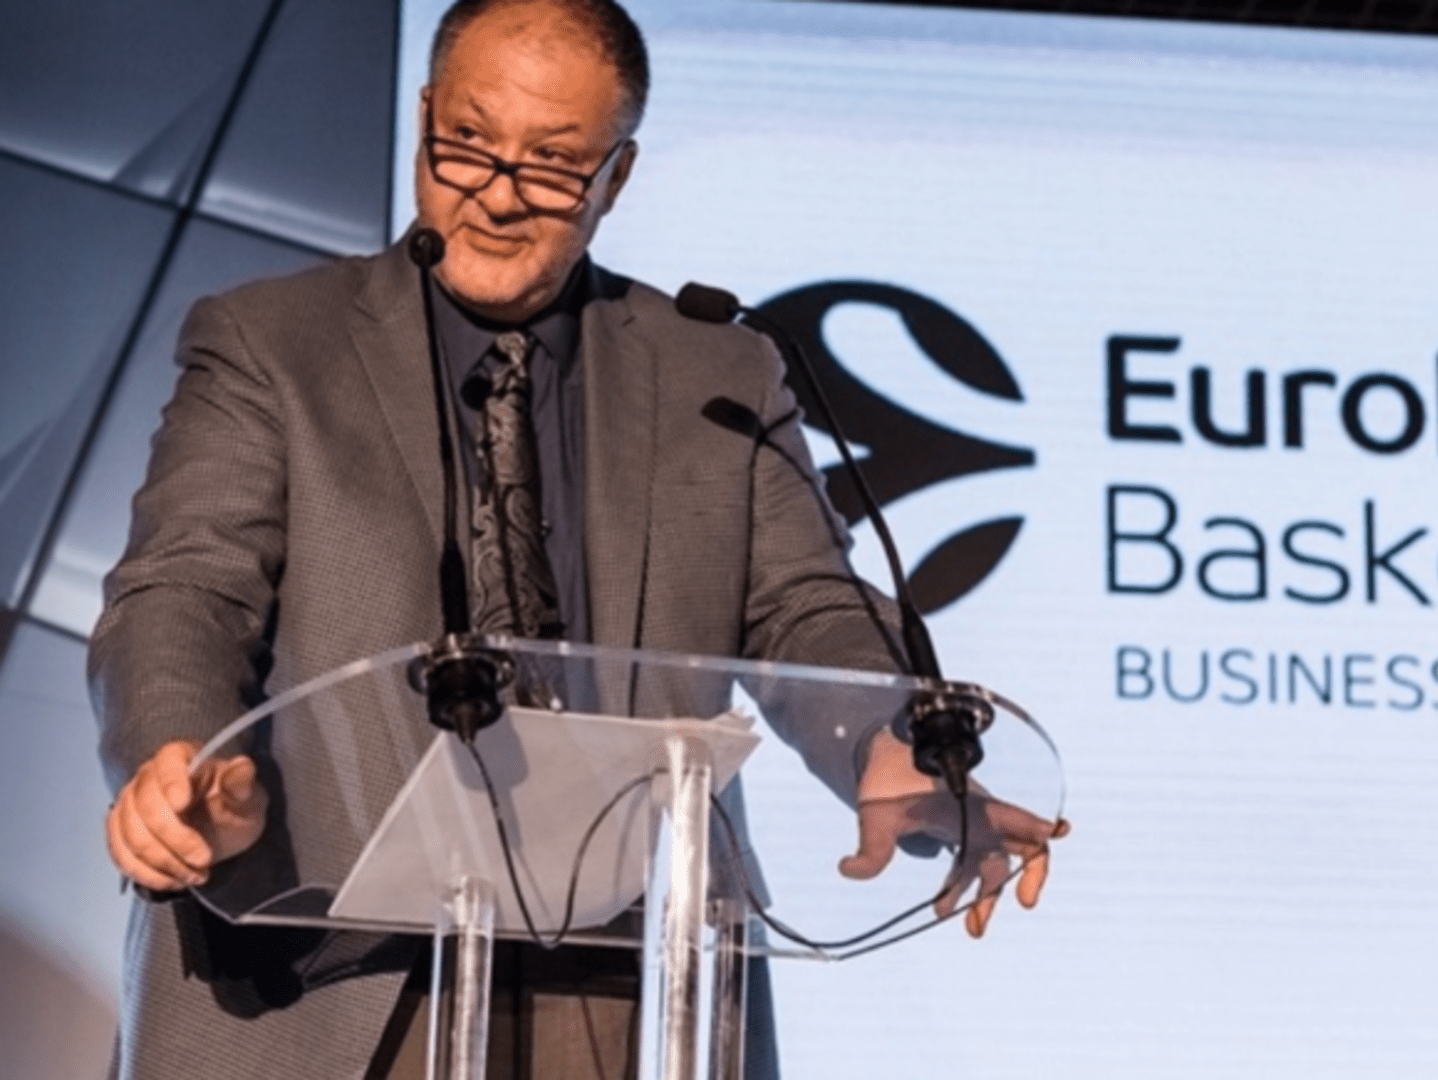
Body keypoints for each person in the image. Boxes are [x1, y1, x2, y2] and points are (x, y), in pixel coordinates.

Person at [92, 2, 1063, 1077]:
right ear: (425, 116)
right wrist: (182, 756)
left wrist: (885, 742)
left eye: (553, 164)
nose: (499, 194)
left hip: (628, 963)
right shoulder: (273, 342)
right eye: (467, 143)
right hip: (324, 959)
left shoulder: (718, 370)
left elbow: (806, 606)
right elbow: (186, 591)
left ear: (618, 174)